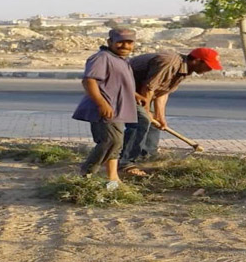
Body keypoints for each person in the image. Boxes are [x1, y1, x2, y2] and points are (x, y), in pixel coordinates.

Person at [119, 48, 223, 176]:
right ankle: (126, 162)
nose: (210, 69)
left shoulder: (184, 69)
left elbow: (162, 91)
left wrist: (159, 116)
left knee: (154, 122)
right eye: (208, 66)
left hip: (142, 92)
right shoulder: (169, 62)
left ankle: (147, 157)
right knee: (142, 120)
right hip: (124, 89)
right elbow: (148, 87)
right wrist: (147, 111)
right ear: (196, 61)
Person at [72, 28, 138, 189]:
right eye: (120, 41)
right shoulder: (102, 58)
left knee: (116, 144)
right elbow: (89, 81)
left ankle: (113, 180)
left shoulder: (121, 59)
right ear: (110, 42)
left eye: (129, 42)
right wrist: (102, 103)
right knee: (110, 141)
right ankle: (85, 173)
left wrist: (136, 96)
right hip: (105, 109)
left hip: (117, 109)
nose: (125, 45)